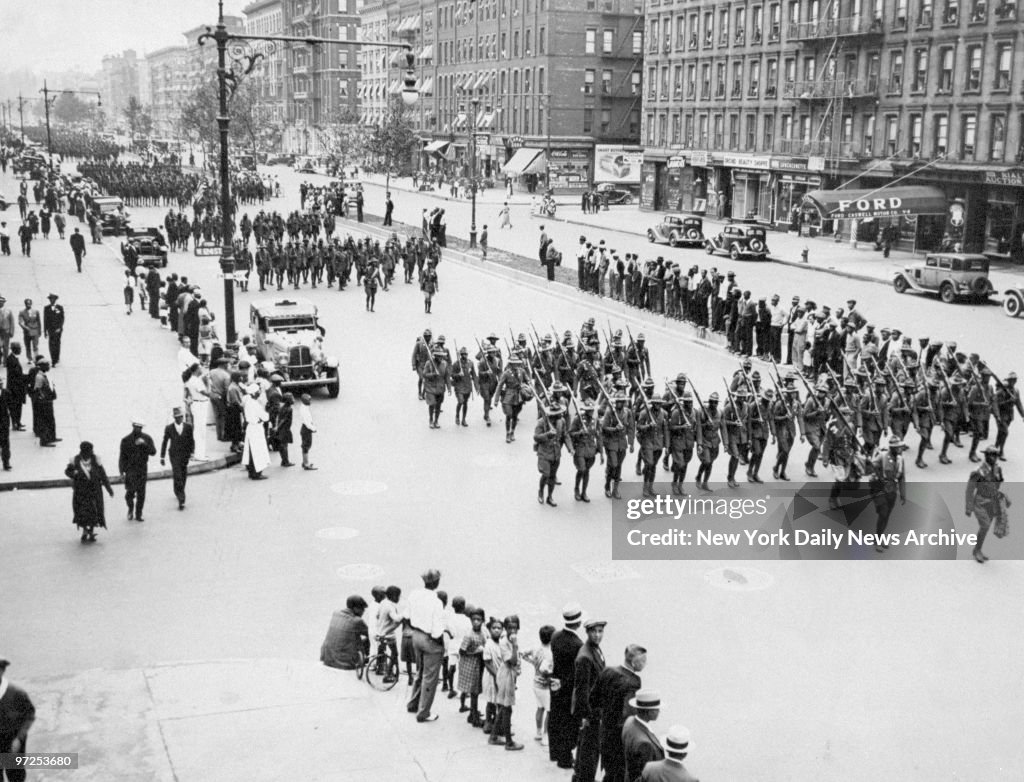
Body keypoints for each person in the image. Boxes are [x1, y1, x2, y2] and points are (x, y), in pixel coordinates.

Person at [594, 644, 646, 782]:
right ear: (634, 662)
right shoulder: (634, 682)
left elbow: (593, 698)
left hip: (605, 730)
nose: (645, 664)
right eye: (643, 661)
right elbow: (628, 715)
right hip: (619, 738)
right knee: (619, 773)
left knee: (608, 770)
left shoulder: (607, 671)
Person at [406, 568, 446, 723]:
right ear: (437, 582)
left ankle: (413, 703)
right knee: (430, 677)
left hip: (416, 635)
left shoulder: (414, 595)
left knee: (420, 671)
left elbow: (407, 616)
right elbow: (437, 630)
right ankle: (424, 712)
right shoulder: (436, 602)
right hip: (430, 639)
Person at [549, 603, 585, 769]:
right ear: (578, 623)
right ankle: (564, 757)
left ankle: (554, 752)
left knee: (555, 718)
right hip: (569, 688)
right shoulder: (578, 644)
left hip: (555, 683)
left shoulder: (555, 637)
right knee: (568, 722)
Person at [573, 618, 607, 782]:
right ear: (587, 632)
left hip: (594, 710)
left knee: (586, 748)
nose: (598, 635)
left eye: (600, 631)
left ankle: (579, 776)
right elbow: (581, 690)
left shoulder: (594, 649)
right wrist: (586, 716)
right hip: (591, 712)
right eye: (594, 631)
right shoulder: (585, 656)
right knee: (590, 751)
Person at [65, 441, 115, 543]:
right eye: (89, 451)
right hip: (81, 492)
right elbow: (67, 471)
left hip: (94, 491)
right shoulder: (75, 460)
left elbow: (103, 475)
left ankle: (91, 531)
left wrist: (109, 488)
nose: (91, 453)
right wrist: (73, 473)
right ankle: (84, 530)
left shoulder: (96, 460)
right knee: (82, 512)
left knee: (94, 512)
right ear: (83, 451)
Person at [965, 445, 1006, 564]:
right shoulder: (978, 471)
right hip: (980, 501)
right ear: (986, 456)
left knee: (986, 528)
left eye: (995, 455)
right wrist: (968, 507)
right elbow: (969, 490)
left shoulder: (998, 469)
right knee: (985, 525)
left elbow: (999, 483)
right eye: (991, 455)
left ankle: (978, 549)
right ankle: (977, 550)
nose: (994, 458)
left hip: (992, 501)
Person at [869, 435, 907, 552]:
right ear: (892, 448)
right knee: (883, 514)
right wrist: (874, 471)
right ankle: (878, 541)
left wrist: (903, 494)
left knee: (886, 516)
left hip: (891, 491)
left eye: (900, 446)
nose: (900, 449)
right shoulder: (882, 456)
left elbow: (901, 478)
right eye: (898, 447)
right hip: (879, 489)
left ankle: (878, 536)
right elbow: (870, 469)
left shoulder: (900, 460)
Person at [0, 658, 36, 782]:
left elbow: (29, 715)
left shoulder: (16, 693)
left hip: (12, 742)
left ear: (3, 671)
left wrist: (19, 738)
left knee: (15, 775)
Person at [521, 624, 555, 745]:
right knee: (549, 711)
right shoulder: (551, 653)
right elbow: (547, 670)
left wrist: (532, 662)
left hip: (536, 683)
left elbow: (523, 654)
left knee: (540, 708)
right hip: (545, 686)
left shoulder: (536, 648)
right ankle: (546, 735)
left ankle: (538, 732)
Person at [622, 689, 666, 782]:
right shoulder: (645, 744)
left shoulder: (629, 722)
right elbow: (645, 777)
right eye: (657, 709)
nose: (659, 711)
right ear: (649, 712)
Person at [119, 417, 156, 522]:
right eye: (137, 427)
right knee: (129, 493)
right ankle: (130, 507)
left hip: (142, 468)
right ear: (133, 426)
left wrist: (144, 444)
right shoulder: (126, 440)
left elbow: (153, 452)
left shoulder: (147, 438)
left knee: (141, 493)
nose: (138, 429)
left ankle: (138, 513)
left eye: (140, 427)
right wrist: (121, 472)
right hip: (130, 469)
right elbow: (122, 456)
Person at [320, 595, 370, 670]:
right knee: (368, 639)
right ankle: (365, 661)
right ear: (355, 608)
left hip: (327, 659)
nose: (363, 611)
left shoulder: (336, 613)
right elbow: (370, 634)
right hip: (344, 662)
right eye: (362, 609)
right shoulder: (357, 621)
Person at [160, 406, 195, 509]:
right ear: (174, 418)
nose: (180, 418)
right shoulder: (169, 428)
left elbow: (191, 440)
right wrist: (162, 457)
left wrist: (192, 452)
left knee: (183, 474)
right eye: (178, 417)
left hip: (185, 455)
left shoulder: (188, 427)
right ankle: (181, 499)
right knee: (177, 475)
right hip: (174, 455)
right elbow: (165, 442)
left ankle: (178, 490)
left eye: (181, 416)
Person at [242, 384, 270, 479]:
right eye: (258, 391)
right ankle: (256, 473)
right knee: (257, 451)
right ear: (254, 393)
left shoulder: (248, 402)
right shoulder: (254, 404)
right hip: (256, 428)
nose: (259, 393)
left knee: (251, 450)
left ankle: (252, 472)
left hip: (251, 428)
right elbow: (265, 417)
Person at [183, 364, 210, 461]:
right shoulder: (196, 381)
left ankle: (200, 453)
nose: (201, 369)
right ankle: (199, 455)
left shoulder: (193, 380)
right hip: (200, 404)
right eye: (200, 368)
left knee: (199, 430)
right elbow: (205, 392)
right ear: (196, 370)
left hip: (198, 404)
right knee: (200, 431)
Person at [32, 358, 59, 446]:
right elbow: (38, 390)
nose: (49, 366)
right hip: (44, 403)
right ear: (42, 366)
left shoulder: (45, 375)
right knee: (45, 421)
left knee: (50, 420)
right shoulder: (39, 377)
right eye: (47, 365)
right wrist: (43, 399)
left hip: (48, 401)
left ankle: (51, 437)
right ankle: (44, 440)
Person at [296, 393, 318, 470]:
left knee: (306, 445)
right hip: (306, 429)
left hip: (305, 428)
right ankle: (306, 464)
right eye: (309, 400)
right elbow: (307, 422)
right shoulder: (304, 410)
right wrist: (313, 428)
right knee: (306, 446)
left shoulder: (304, 407)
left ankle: (304, 462)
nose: (310, 401)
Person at [42, 294, 65, 366]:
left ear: (55, 300)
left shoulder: (60, 307)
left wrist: (60, 327)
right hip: (50, 329)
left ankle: (57, 357)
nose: (52, 300)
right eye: (50, 299)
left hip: (58, 329)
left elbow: (62, 318)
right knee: (51, 344)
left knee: (57, 344)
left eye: (53, 299)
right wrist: (45, 331)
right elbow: (45, 320)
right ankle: (53, 359)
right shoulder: (46, 308)